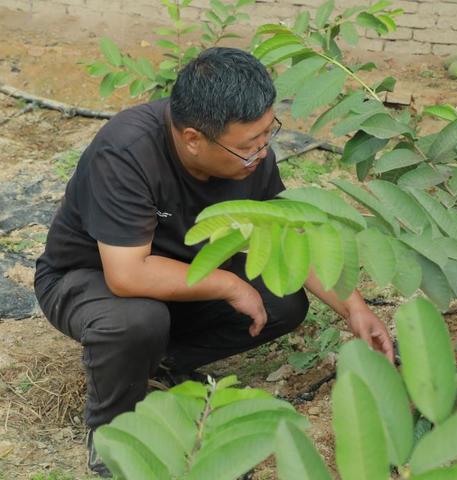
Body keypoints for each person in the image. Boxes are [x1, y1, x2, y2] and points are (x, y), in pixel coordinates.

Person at [34, 47, 394, 477]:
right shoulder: (127, 151)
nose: (261, 153)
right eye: (248, 146)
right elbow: (128, 274)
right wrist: (228, 284)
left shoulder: (251, 157)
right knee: (136, 320)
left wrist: (354, 307)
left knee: (283, 297)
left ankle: (157, 365)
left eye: (268, 135)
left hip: (179, 276)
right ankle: (113, 429)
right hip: (88, 280)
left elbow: (288, 237)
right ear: (192, 139)